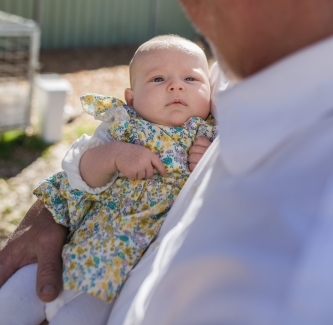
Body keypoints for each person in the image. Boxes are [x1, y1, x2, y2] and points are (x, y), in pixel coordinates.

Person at [1, 0, 333, 323]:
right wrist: (51, 211)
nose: (176, 86)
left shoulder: (292, 276)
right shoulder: (235, 79)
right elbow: (95, 154)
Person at [0, 35, 215, 324]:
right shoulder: (122, 126)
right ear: (131, 99)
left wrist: (206, 164)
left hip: (117, 279)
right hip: (72, 249)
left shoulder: (209, 138)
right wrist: (114, 156)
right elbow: (78, 173)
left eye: (191, 78)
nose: (176, 86)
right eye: (157, 79)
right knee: (12, 301)